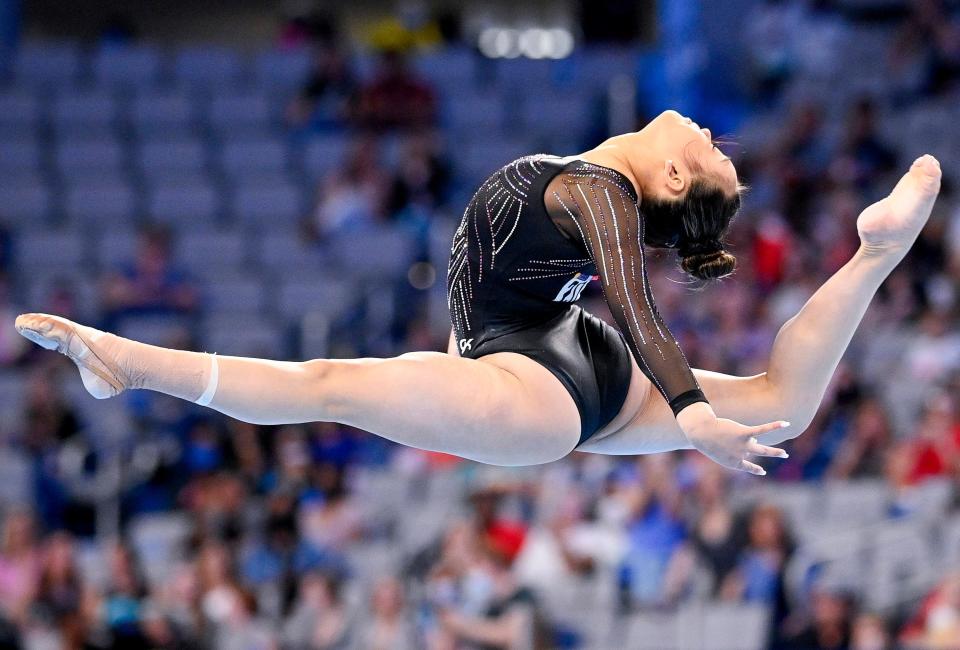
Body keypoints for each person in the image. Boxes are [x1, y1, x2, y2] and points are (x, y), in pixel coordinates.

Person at [14, 110, 943, 475]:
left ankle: (129, 364)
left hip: (534, 382)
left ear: (668, 174)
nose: (711, 134)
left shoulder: (599, 195)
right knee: (783, 403)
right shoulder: (588, 177)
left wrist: (694, 410)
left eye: (712, 157)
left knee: (331, 385)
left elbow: (635, 300)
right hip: (568, 361)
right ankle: (871, 258)